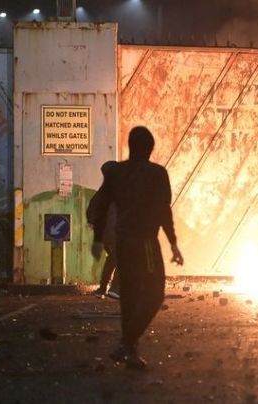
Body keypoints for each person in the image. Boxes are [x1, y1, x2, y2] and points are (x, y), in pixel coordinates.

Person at [91, 126, 184, 370]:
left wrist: (98, 240)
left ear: (131, 146)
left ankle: (130, 350)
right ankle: (126, 343)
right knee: (154, 294)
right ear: (150, 147)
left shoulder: (116, 173)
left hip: (123, 242)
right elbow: (164, 211)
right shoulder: (157, 174)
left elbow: (101, 207)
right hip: (146, 242)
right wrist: (173, 243)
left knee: (129, 297)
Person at [87, 161, 120, 300]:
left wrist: (93, 223)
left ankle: (101, 289)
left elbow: (91, 211)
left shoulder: (103, 191)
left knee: (112, 258)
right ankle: (115, 289)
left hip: (104, 235)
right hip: (117, 233)